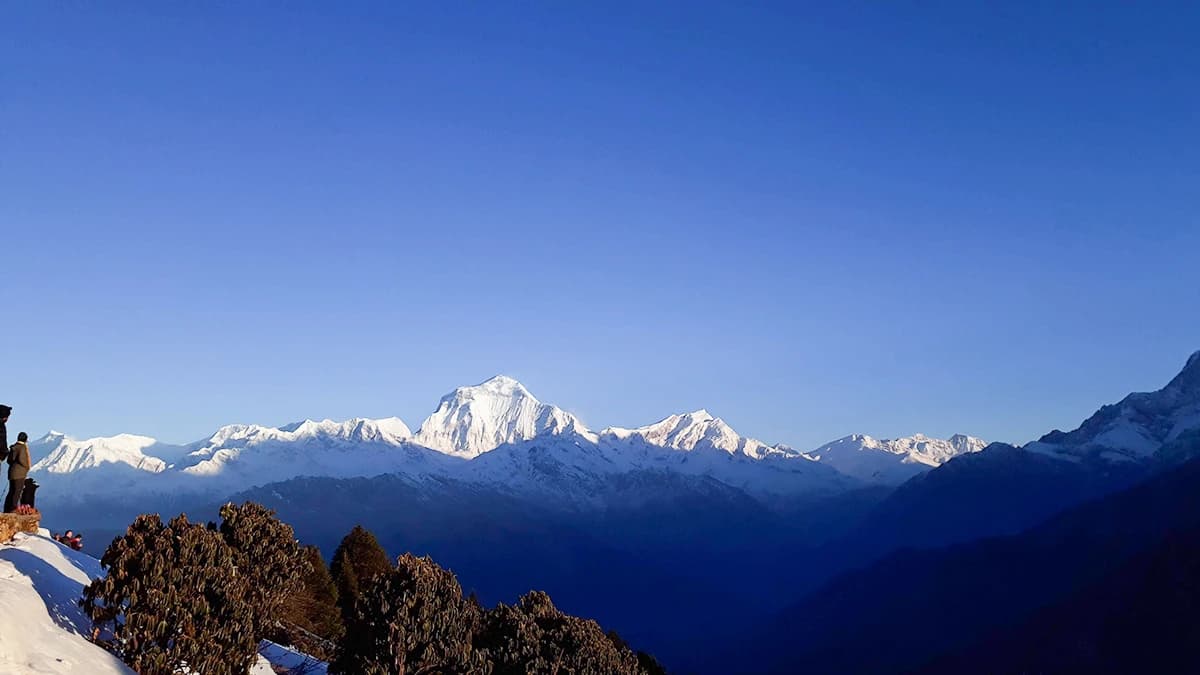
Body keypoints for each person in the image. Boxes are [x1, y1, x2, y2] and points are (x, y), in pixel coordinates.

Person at [5, 431, 30, 513]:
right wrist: (27, 467)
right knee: (17, 492)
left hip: (12, 472)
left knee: (11, 491)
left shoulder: (13, 447)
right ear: (25, 439)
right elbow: (22, 459)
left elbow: (9, 460)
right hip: (20, 473)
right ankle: (13, 509)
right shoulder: (22, 447)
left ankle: (7, 509)